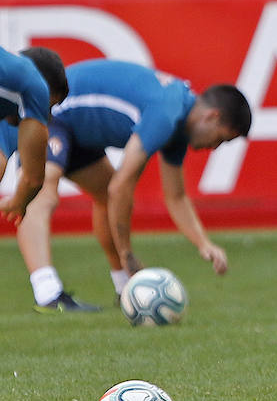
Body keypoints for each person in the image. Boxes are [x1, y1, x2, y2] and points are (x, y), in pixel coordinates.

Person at [16, 59, 251, 312]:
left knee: (108, 197)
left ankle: (124, 288)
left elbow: (176, 196)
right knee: (42, 190)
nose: (215, 147)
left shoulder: (180, 124)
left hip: (77, 128)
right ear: (212, 116)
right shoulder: (167, 111)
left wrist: (204, 244)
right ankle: (47, 293)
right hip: (51, 109)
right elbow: (122, 185)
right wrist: (126, 251)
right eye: (221, 139)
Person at [0, 46, 67, 222]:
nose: (48, 118)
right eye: (48, 107)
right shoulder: (33, 84)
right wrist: (18, 202)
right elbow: (33, 178)